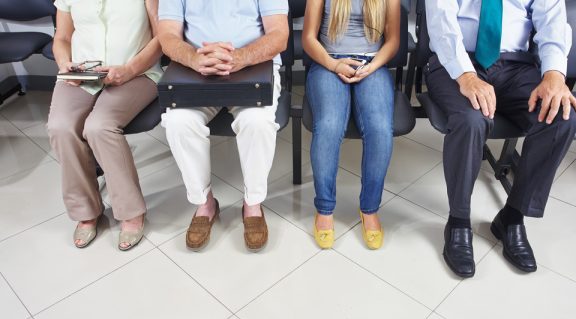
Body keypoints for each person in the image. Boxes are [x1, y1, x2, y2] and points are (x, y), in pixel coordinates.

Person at [425, 0, 576, 277]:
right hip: (456, 60)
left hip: (516, 66)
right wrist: (466, 75)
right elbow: (441, 24)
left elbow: (553, 21)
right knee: (471, 120)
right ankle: (459, 221)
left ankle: (512, 217)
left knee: (563, 117)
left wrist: (554, 74)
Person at [157, 0, 289, 252]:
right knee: (177, 122)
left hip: (253, 65)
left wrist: (239, 57)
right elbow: (167, 35)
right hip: (196, 68)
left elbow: (279, 34)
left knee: (257, 122)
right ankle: (205, 204)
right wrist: (194, 59)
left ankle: (252, 204)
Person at [47, 0, 163, 250]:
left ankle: (131, 211)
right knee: (60, 127)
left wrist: (129, 69)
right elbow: (63, 37)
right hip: (82, 75)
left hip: (137, 74)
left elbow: (162, 37)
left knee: (99, 126)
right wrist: (64, 64)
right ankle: (85, 210)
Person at [303, 0, 400, 250]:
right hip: (328, 63)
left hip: (373, 64)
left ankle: (369, 208)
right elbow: (308, 39)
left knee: (380, 128)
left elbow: (392, 41)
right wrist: (334, 64)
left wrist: (373, 67)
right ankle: (324, 209)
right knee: (329, 125)